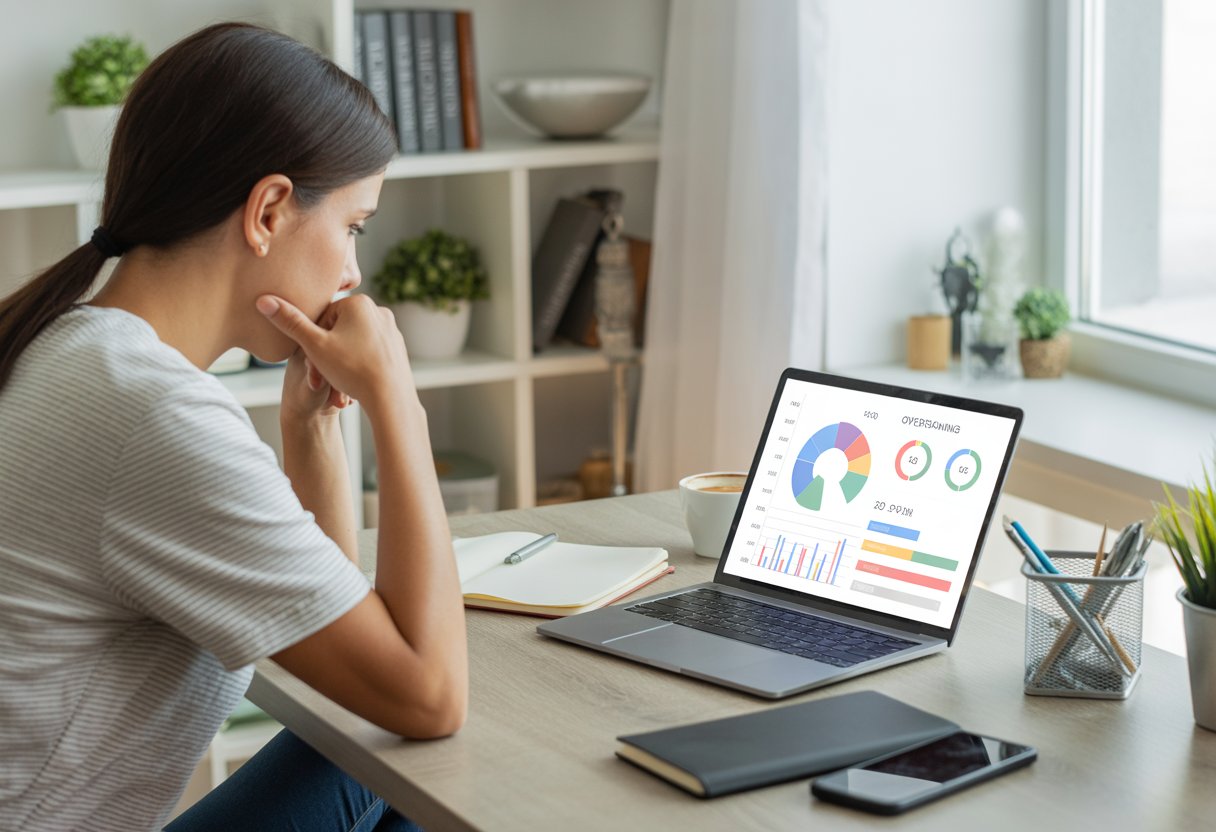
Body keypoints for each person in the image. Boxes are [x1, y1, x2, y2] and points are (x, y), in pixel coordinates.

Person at [0, 22, 468, 832]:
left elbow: (323, 654)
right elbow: (428, 696)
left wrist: (310, 437)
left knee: (375, 748)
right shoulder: (153, 413)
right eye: (353, 226)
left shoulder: (73, 346)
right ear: (270, 210)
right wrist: (399, 400)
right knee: (421, 761)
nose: (355, 272)